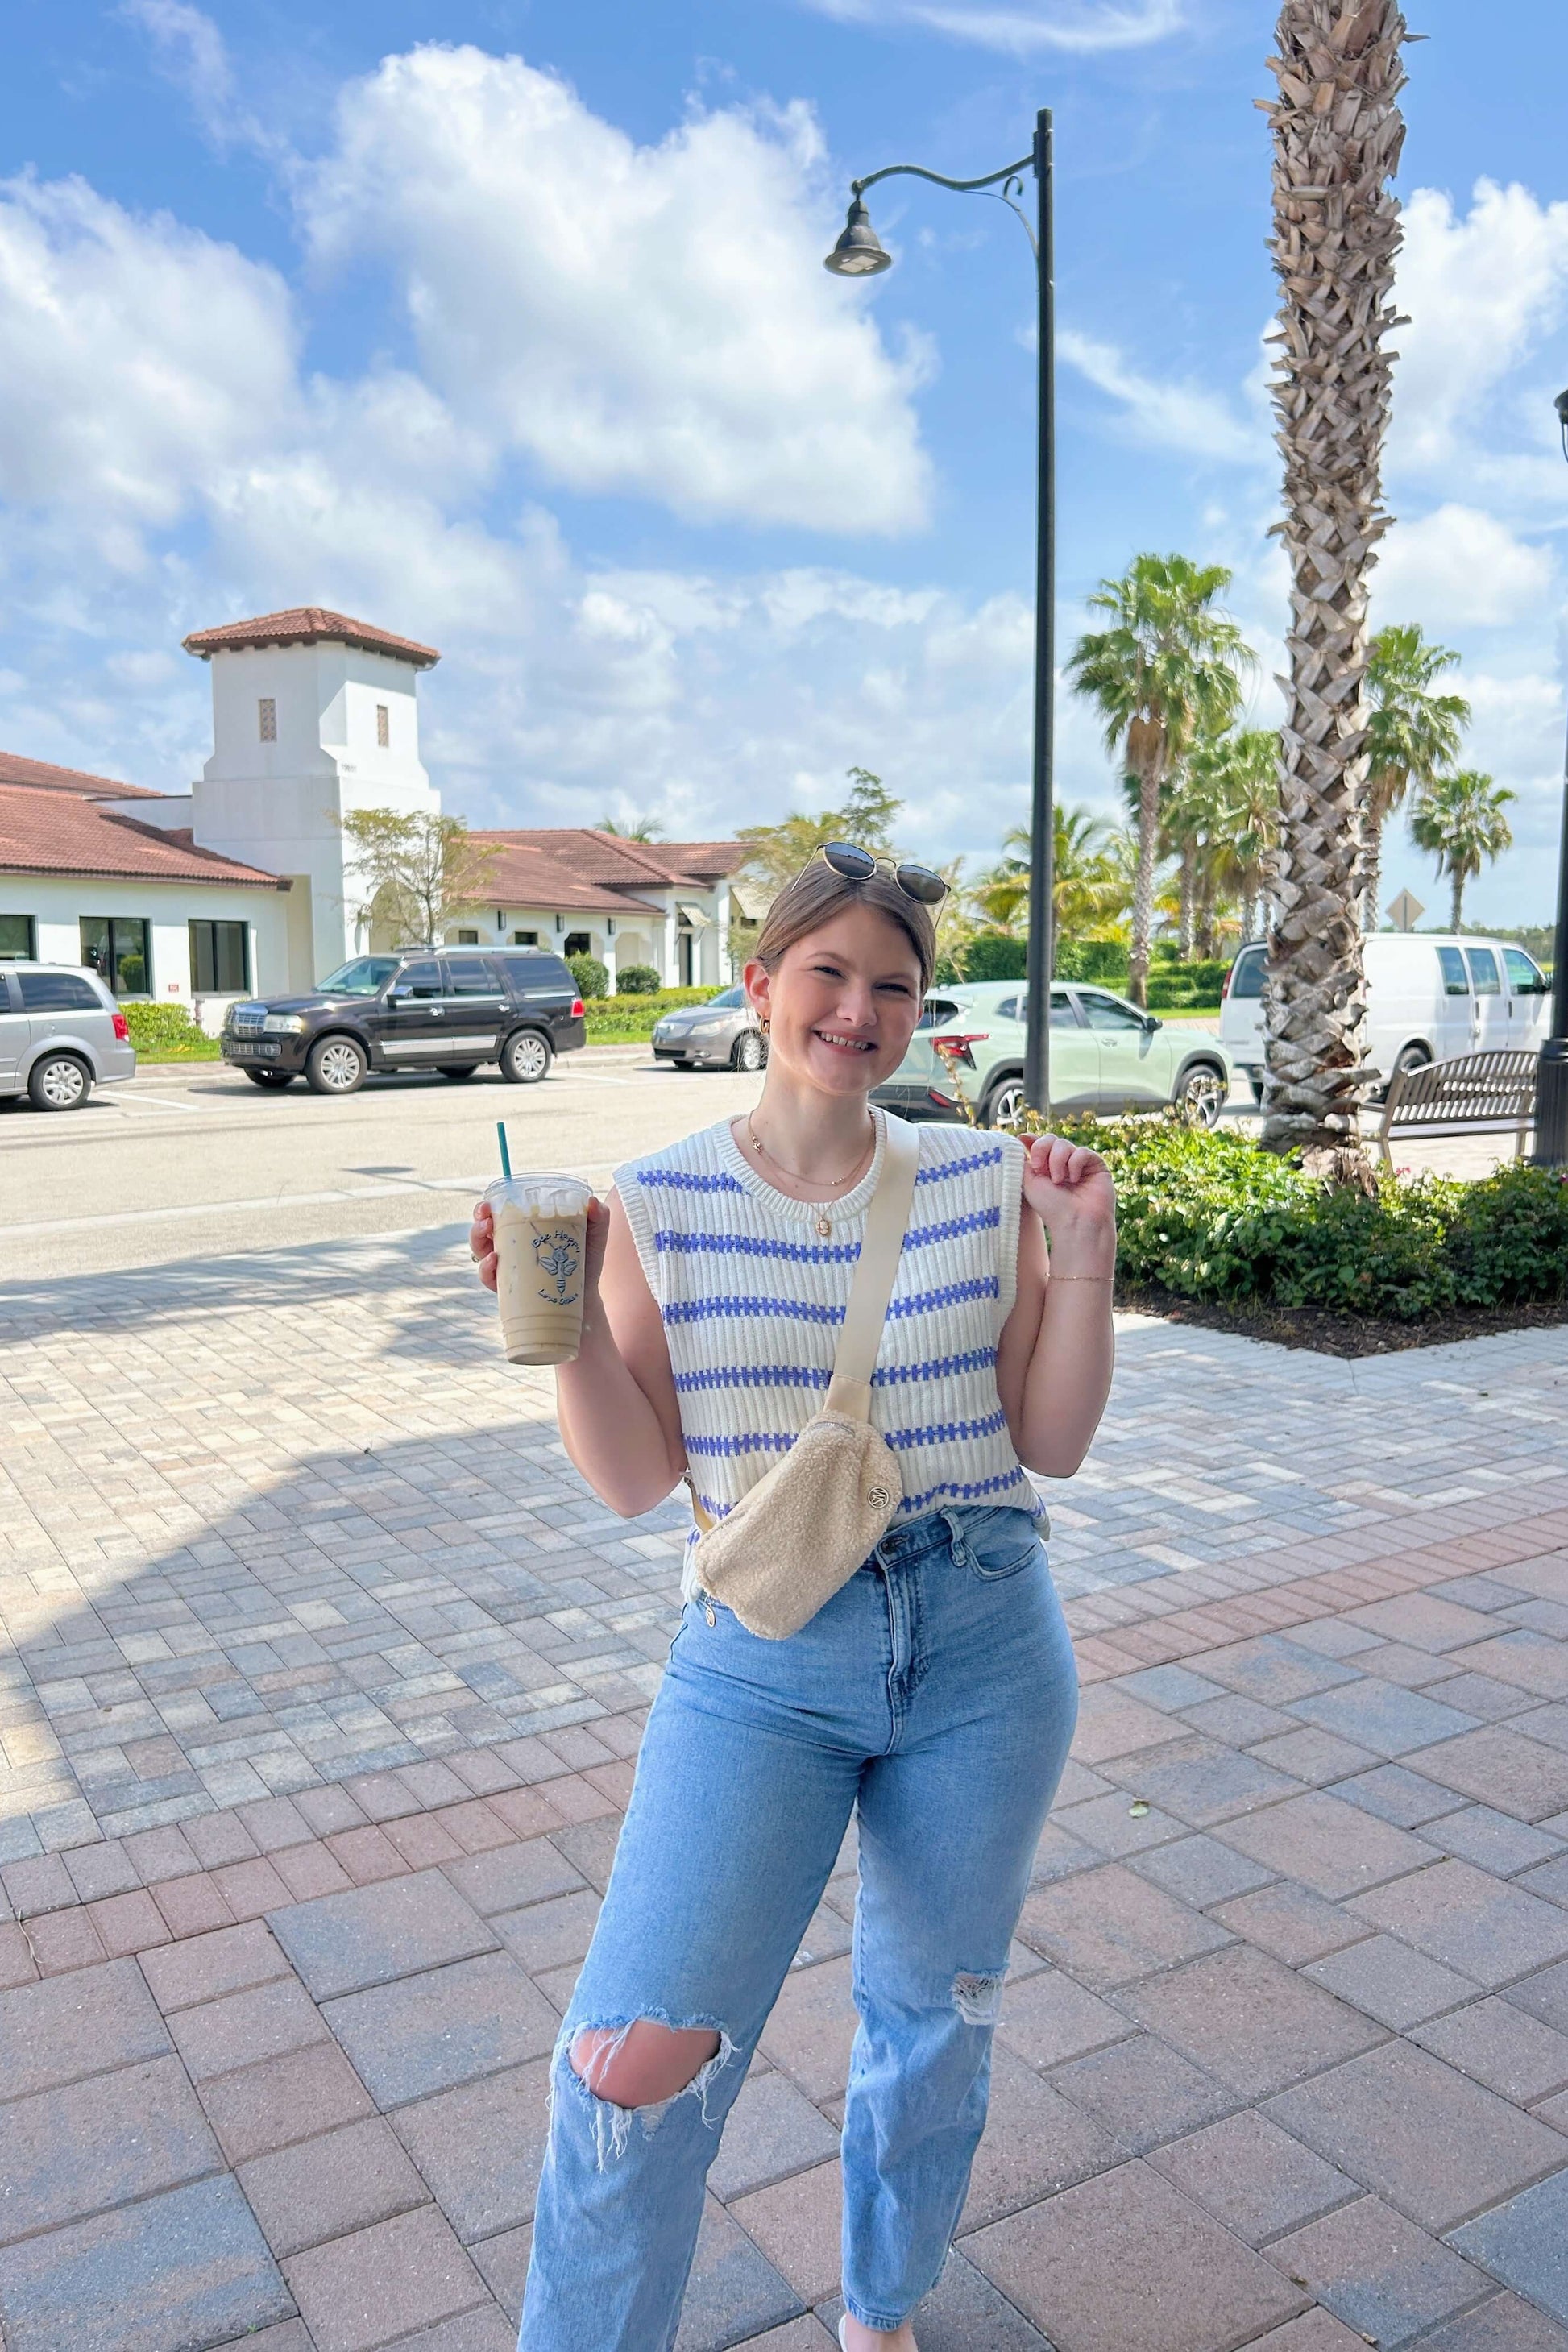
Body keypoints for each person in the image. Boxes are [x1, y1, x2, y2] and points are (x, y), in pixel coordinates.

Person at [468, 844, 1116, 2351]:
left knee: (931, 2015)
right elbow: (636, 1476)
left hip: (985, 1635)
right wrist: (553, 1318)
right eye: (826, 972)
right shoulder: (661, 1200)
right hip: (762, 1658)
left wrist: (1079, 1266)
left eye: (893, 984)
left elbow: (1052, 1441)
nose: (858, 1008)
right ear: (759, 984)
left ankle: (882, 2307)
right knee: (635, 2055)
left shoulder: (976, 1177)